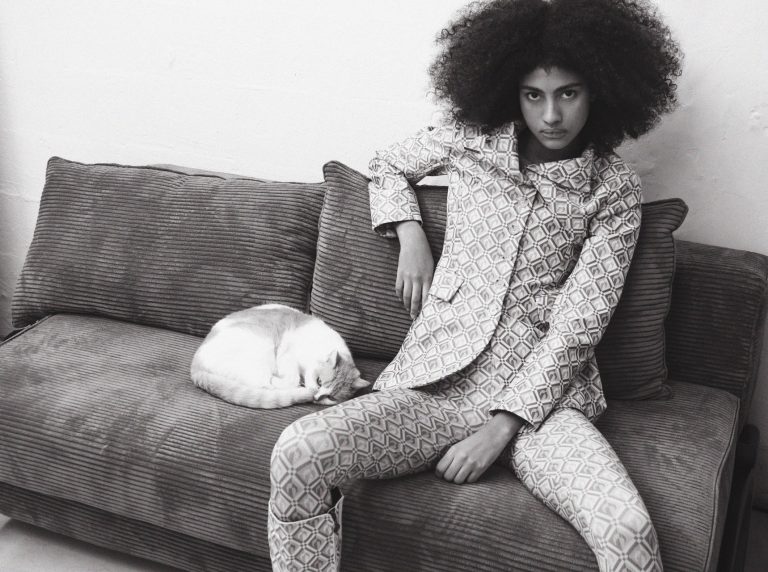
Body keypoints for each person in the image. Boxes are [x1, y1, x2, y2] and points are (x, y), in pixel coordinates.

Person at [267, 0, 682, 570]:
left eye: (569, 93)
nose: (552, 115)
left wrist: (502, 426)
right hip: (434, 386)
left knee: (629, 530)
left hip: (543, 403)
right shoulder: (470, 142)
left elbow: (581, 323)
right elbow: (387, 164)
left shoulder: (614, 190)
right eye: (533, 95)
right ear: (509, 92)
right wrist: (410, 232)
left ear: (600, 91)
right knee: (298, 452)